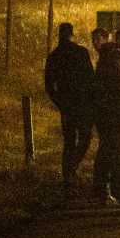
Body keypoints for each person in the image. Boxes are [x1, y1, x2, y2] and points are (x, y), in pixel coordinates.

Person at [44, 22, 95, 192]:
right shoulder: (81, 52)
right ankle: (72, 168)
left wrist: (59, 103)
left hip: (67, 105)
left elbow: (49, 85)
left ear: (59, 34)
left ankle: (68, 175)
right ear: (72, 34)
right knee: (85, 137)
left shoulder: (54, 56)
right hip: (82, 103)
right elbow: (90, 78)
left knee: (69, 141)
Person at [92, 47, 120, 206]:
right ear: (118, 62)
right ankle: (117, 193)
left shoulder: (102, 77)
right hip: (117, 124)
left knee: (105, 156)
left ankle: (102, 191)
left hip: (106, 123)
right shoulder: (118, 79)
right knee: (118, 159)